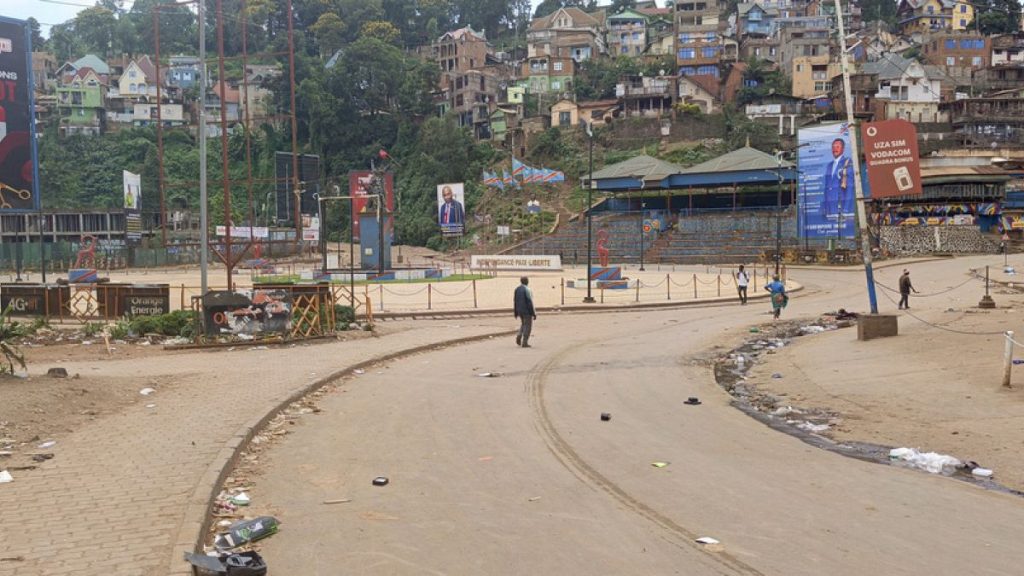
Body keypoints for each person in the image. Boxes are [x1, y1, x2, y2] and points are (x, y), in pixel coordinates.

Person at [821, 138, 853, 220]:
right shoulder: (829, 165)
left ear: (843, 149)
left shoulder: (847, 163)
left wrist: (846, 210)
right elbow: (826, 188)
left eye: (837, 146)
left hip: (840, 207)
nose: (835, 149)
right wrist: (825, 207)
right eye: (833, 147)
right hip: (829, 209)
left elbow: (849, 188)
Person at [513, 276, 536, 347]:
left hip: (519, 310)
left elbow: (515, 301)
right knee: (528, 326)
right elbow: (530, 302)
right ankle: (524, 342)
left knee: (523, 324)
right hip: (526, 311)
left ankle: (519, 335)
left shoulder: (517, 289)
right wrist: (533, 313)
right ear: (527, 281)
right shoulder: (527, 289)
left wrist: (516, 312)